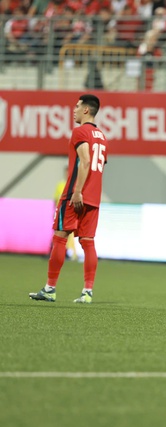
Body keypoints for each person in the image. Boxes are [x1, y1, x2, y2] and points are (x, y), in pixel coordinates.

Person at [29, 94, 108, 304]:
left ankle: (50, 288)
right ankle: (87, 292)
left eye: (76, 106)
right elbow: (97, 166)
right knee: (88, 242)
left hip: (75, 195)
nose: (73, 110)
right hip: (94, 197)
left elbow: (85, 162)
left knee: (59, 238)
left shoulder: (80, 131)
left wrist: (77, 190)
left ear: (86, 110)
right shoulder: (101, 136)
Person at [53, 165, 78, 261]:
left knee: (69, 235)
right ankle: (60, 253)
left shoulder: (75, 185)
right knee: (59, 234)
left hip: (70, 214)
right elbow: (56, 199)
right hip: (60, 213)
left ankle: (72, 253)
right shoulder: (61, 184)